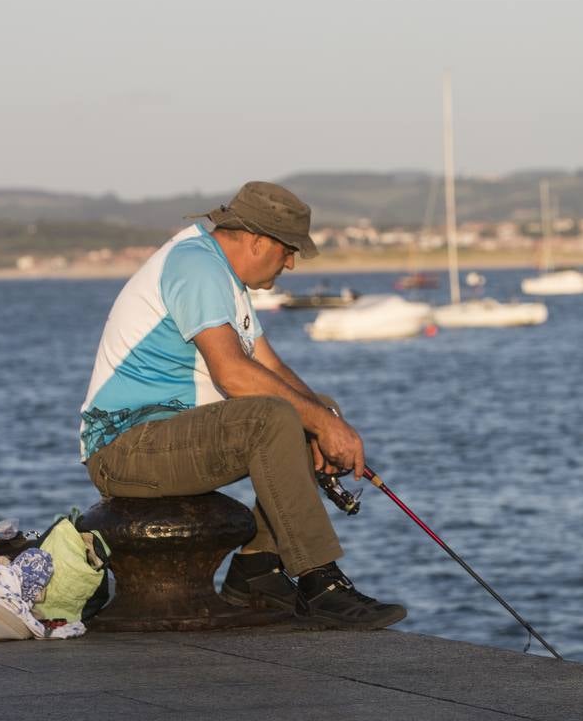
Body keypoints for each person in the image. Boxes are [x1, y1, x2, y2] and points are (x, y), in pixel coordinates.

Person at [77, 181, 404, 629]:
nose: (291, 262)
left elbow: (268, 365)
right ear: (256, 240)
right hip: (124, 449)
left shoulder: (223, 276)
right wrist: (320, 425)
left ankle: (258, 570)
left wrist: (327, 421)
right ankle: (319, 580)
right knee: (272, 417)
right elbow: (232, 374)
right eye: (288, 250)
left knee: (313, 408)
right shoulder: (195, 266)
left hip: (169, 435)